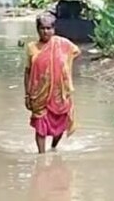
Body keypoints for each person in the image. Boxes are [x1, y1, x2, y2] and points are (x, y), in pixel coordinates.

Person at [24, 13, 81, 154]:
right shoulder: (32, 47)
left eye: (49, 28)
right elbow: (27, 72)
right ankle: (41, 155)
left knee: (60, 124)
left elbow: (75, 52)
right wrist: (27, 94)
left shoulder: (62, 44)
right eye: (42, 28)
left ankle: (54, 147)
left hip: (59, 94)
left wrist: (63, 67)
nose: (45, 31)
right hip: (39, 95)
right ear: (37, 29)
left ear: (54, 29)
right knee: (40, 125)